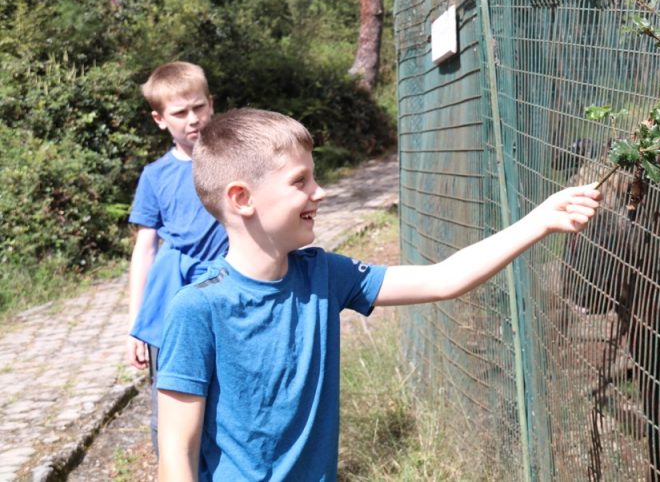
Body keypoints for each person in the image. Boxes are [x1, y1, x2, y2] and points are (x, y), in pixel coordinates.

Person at [155, 108, 601, 481]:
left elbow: (443, 279)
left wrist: (539, 221)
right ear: (242, 198)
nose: (320, 191)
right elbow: (177, 450)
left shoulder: (326, 275)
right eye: (300, 181)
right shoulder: (198, 309)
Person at [125, 61, 230, 453]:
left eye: (199, 107)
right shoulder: (155, 176)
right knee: (172, 395)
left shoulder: (234, 160)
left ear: (211, 104)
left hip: (227, 292)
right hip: (172, 298)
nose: (193, 119)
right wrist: (136, 322)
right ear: (159, 119)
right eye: (180, 113)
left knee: (229, 392)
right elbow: (145, 248)